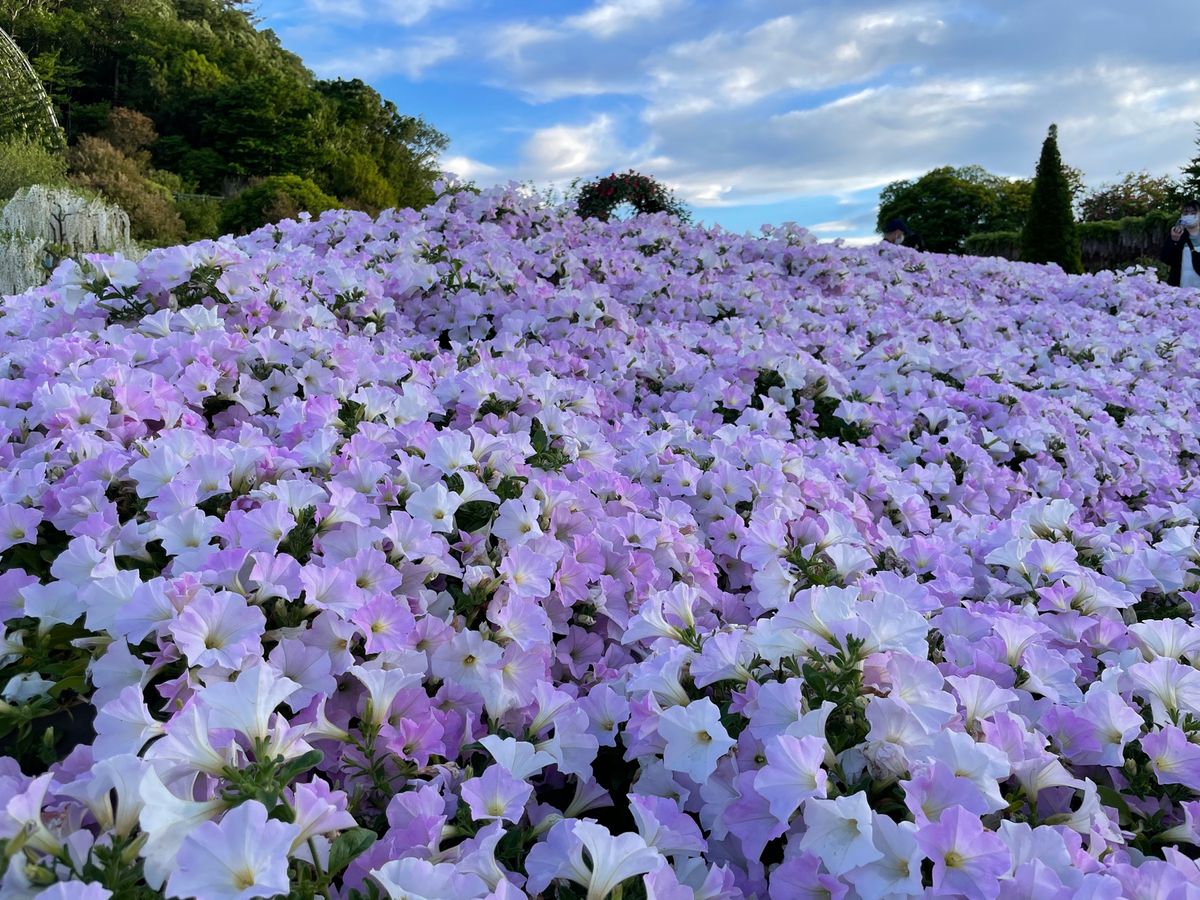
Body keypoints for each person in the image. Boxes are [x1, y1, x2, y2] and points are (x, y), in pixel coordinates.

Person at [1160, 200, 1200, 288]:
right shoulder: (1177, 234)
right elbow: (1166, 259)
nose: (1189, 215)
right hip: (1181, 287)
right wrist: (1174, 241)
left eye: (1193, 213)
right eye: (1186, 213)